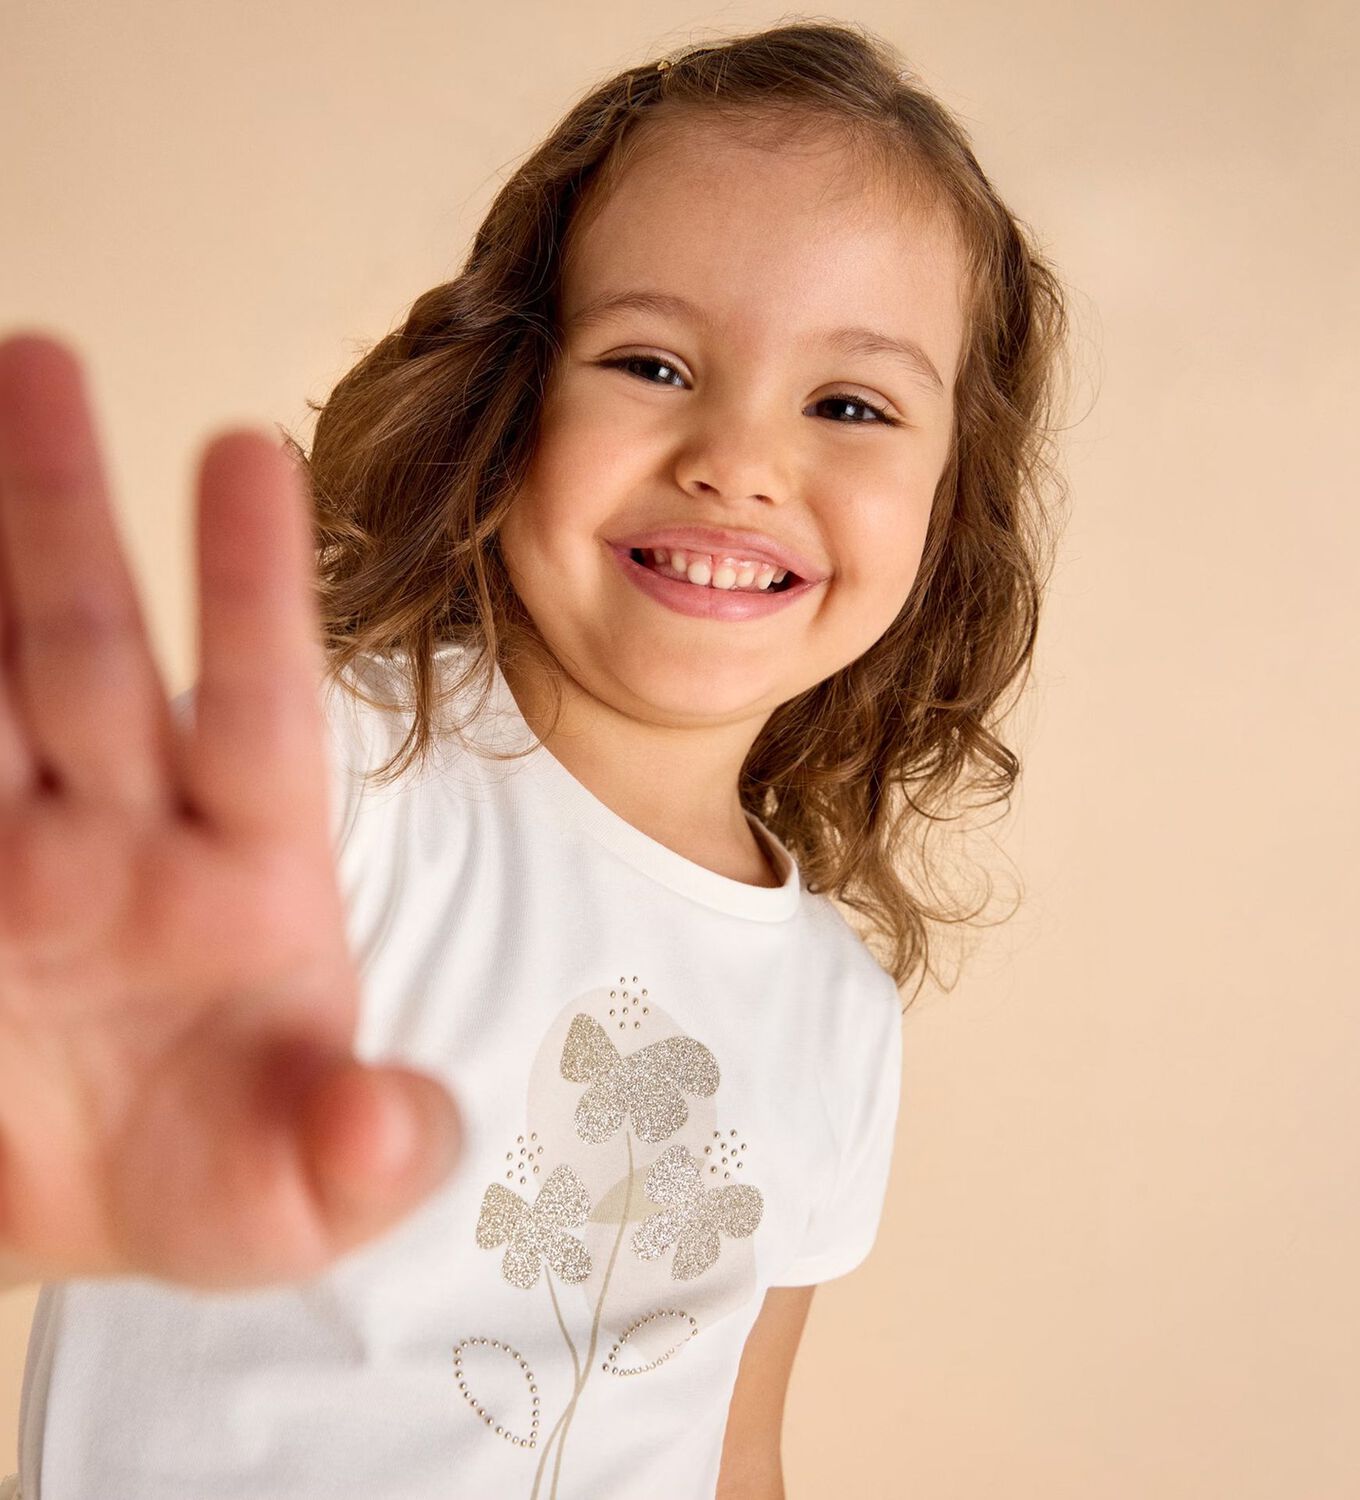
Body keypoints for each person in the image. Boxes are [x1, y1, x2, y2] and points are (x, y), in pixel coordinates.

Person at [0, 19, 1070, 1499]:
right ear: (510, 400)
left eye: (851, 404)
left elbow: (734, 1450)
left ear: (950, 511)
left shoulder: (836, 1011)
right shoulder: (328, 788)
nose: (739, 460)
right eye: (650, 361)